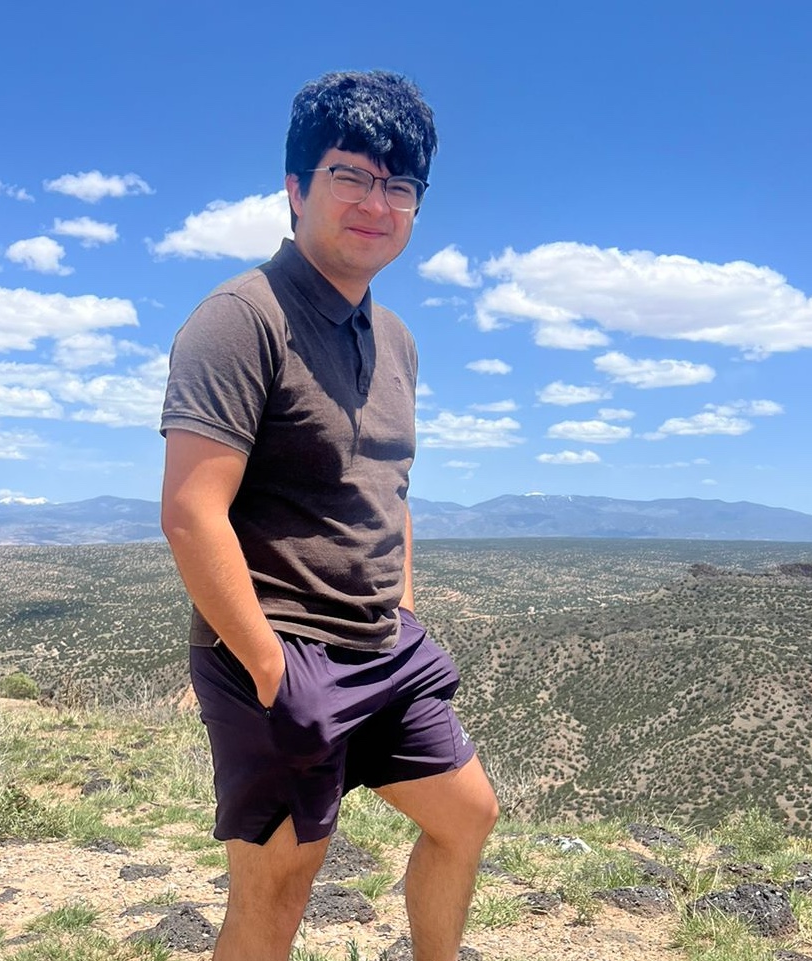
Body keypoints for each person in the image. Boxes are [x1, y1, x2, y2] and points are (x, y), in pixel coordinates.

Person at [160, 70, 498, 961]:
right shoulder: (241, 318)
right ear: (296, 186)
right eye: (350, 174)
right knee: (277, 886)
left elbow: (387, 486)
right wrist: (271, 665)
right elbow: (193, 510)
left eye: (399, 186)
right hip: (279, 650)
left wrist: (405, 611)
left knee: (466, 816)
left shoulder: (396, 340)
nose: (375, 202)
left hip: (380, 645)